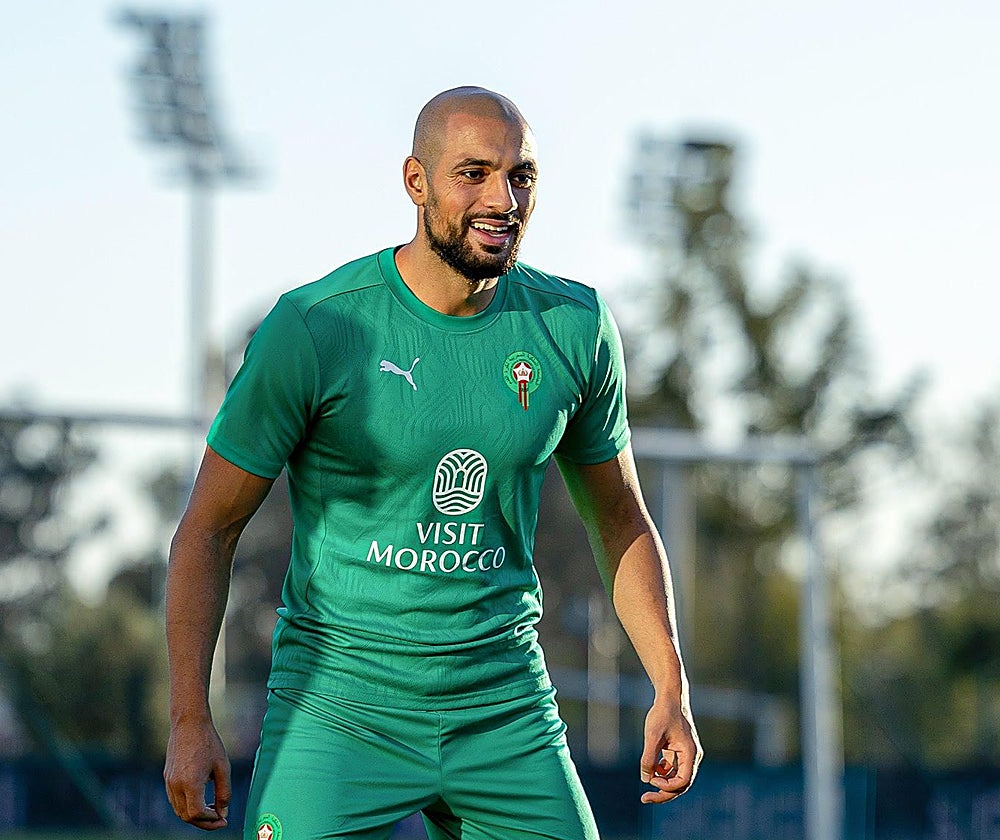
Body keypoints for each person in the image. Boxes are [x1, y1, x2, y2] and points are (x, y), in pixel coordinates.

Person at [163, 86, 701, 840]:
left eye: (522, 176)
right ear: (416, 182)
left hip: (505, 708)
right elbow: (207, 531)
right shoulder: (318, 327)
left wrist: (670, 685)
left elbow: (622, 522)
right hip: (339, 710)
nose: (503, 198)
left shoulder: (575, 328)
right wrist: (191, 718)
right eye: (473, 173)